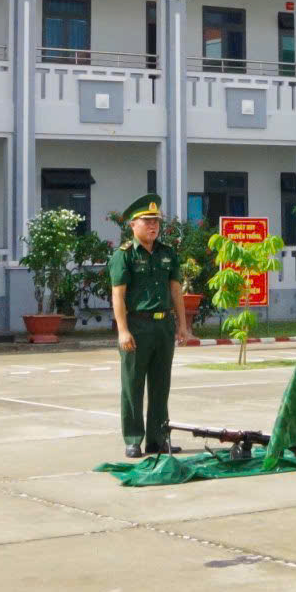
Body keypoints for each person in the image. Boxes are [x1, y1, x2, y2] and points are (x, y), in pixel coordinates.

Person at [110, 193, 191, 458]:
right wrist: (123, 330)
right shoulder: (124, 256)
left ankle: (158, 440)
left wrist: (182, 325)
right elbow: (118, 295)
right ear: (133, 225)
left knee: (161, 385)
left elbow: (176, 291)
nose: (153, 226)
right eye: (146, 221)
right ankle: (133, 438)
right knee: (133, 385)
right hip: (137, 326)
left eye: (155, 221)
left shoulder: (168, 253)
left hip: (163, 327)